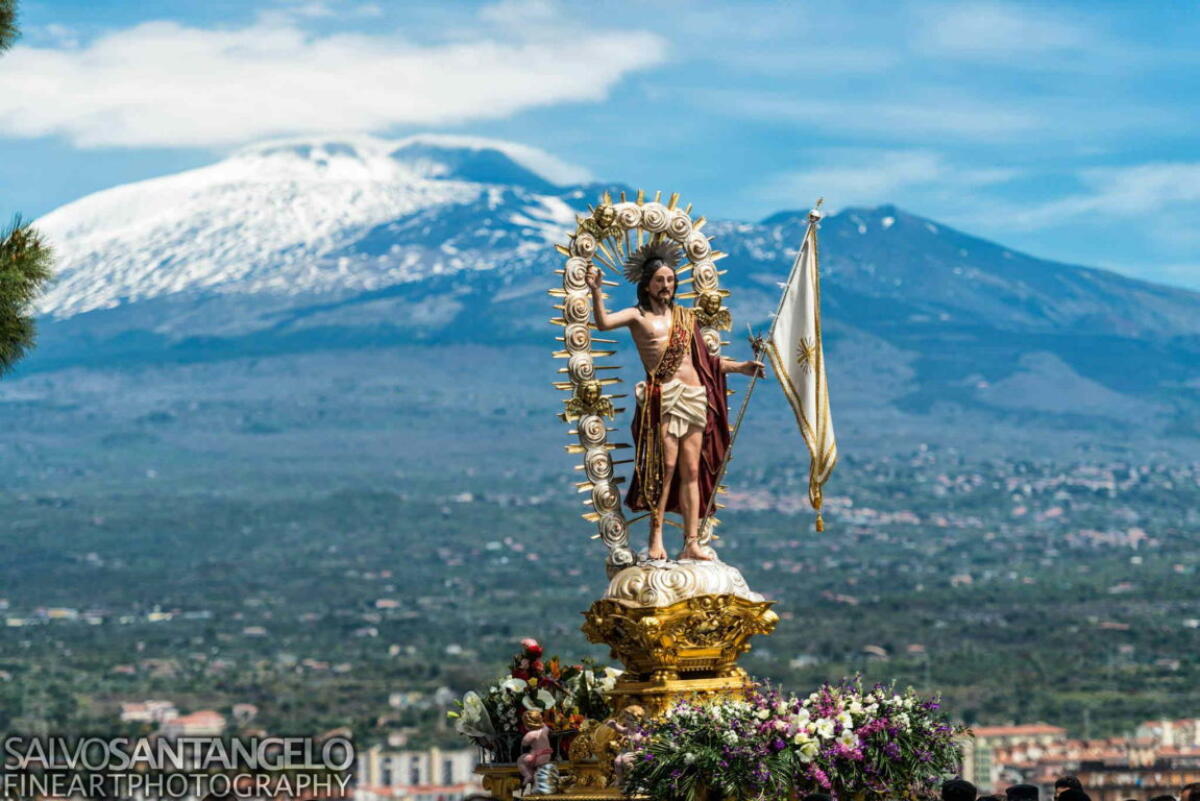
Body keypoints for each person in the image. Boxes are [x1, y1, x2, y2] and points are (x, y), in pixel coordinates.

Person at [587, 242, 762, 561]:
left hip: (695, 397)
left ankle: (691, 541)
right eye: (659, 280)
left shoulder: (686, 318)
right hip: (663, 398)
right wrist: (597, 292)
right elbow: (603, 324)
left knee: (691, 469)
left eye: (669, 280)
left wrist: (740, 367)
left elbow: (705, 364)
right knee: (664, 468)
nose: (665, 285)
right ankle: (656, 537)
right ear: (647, 284)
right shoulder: (637, 316)